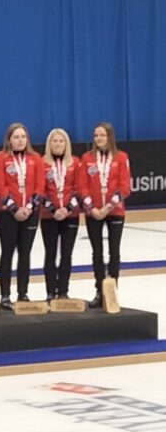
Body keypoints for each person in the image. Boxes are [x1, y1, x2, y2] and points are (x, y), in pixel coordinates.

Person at [78, 122, 131, 308]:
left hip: (114, 211)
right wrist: (91, 208)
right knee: (97, 252)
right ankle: (100, 291)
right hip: (92, 211)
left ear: (110, 137)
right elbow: (82, 186)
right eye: (96, 135)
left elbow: (124, 187)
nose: (98, 138)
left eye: (102, 135)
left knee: (114, 251)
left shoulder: (121, 157)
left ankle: (112, 292)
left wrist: (108, 207)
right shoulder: (87, 158)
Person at [0, 123, 44, 310]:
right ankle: (5, 295)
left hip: (30, 213)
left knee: (25, 253)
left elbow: (40, 186)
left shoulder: (36, 158)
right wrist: (14, 209)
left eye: (23, 136)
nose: (20, 140)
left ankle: (23, 293)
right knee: (7, 253)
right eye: (16, 137)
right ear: (9, 139)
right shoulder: (0, 158)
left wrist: (28, 208)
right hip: (7, 214)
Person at [40, 129, 80, 302]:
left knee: (66, 254)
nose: (57, 144)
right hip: (49, 215)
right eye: (54, 141)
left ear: (66, 144)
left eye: (61, 141)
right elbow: (39, 190)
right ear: (49, 144)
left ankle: (63, 290)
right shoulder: (41, 163)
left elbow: (81, 189)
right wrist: (53, 209)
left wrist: (68, 208)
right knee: (50, 253)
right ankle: (50, 291)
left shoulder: (75, 163)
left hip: (71, 215)